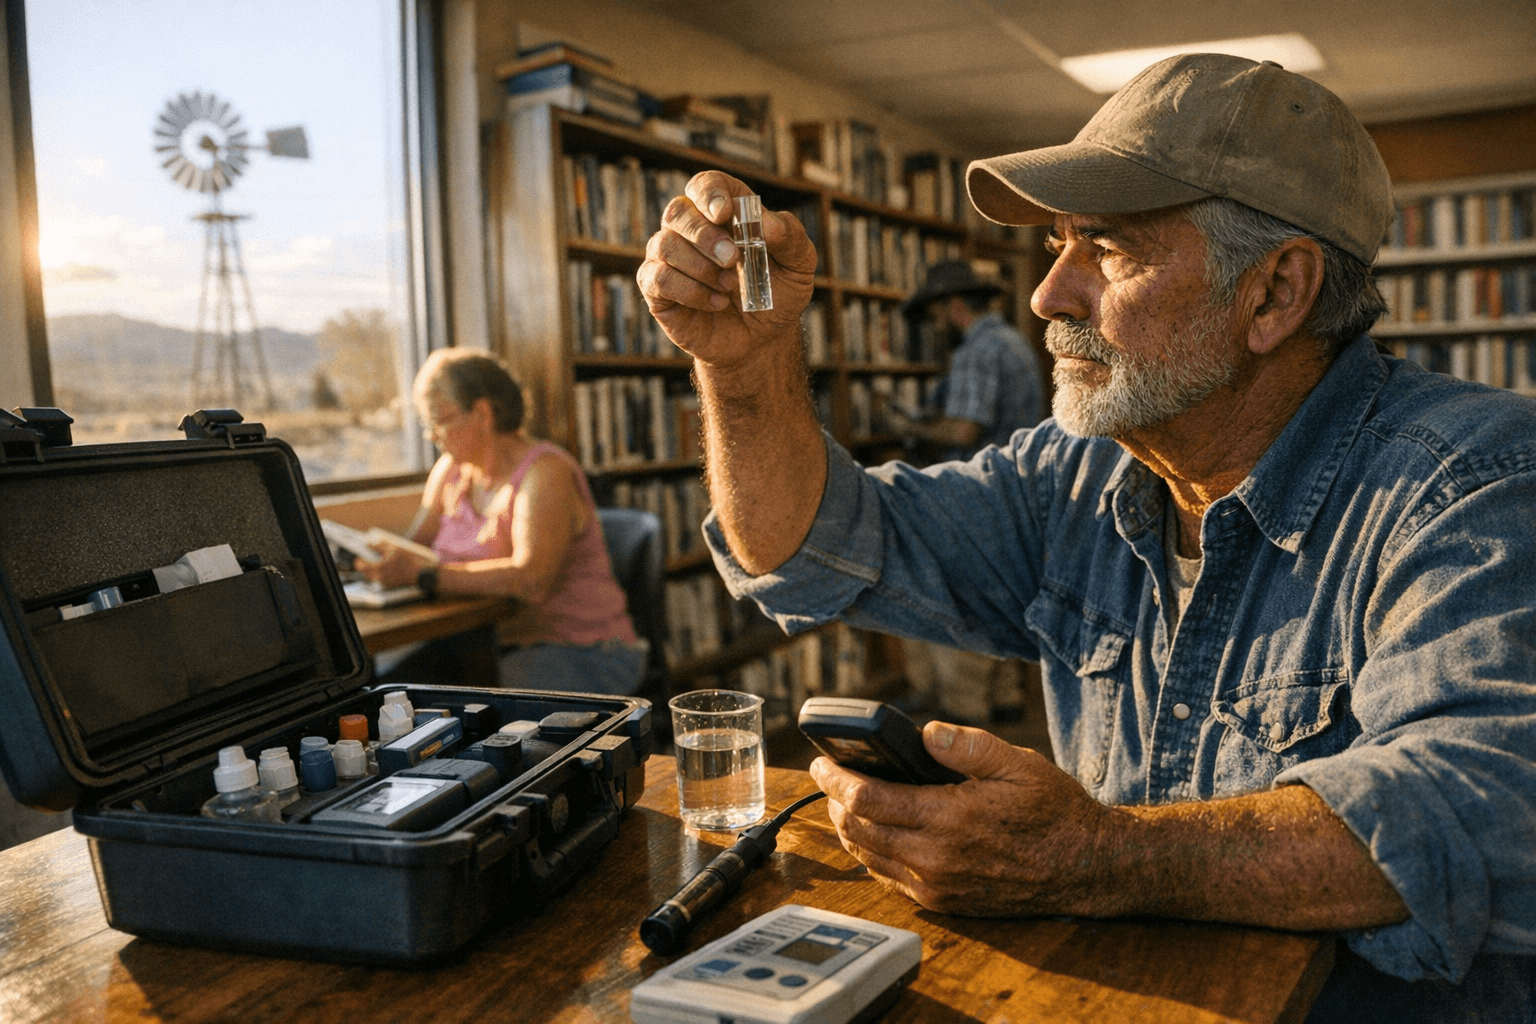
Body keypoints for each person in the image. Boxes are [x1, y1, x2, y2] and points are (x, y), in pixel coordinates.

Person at [636, 53, 1536, 1021]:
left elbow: (1480, 811)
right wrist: (744, 366)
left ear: (1275, 293)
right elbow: (806, 545)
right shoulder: (1082, 472)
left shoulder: (1472, 481)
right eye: (1060, 243)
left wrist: (1092, 856)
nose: (1047, 295)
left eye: (1105, 249)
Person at [362, 347, 645, 695]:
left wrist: (424, 574)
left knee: (470, 721)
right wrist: (376, 560)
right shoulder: (452, 472)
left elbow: (531, 580)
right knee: (383, 693)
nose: (431, 435)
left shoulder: (545, 472)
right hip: (485, 644)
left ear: (482, 413)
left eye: (438, 420)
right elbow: (415, 545)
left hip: (577, 649)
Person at [887, 259, 1046, 723]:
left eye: (938, 314)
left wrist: (907, 428)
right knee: (1006, 595)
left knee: (964, 604)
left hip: (981, 497)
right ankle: (1006, 696)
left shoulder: (976, 350)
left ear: (955, 307)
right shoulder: (1015, 343)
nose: (937, 324)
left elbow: (963, 431)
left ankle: (965, 714)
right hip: (1019, 496)